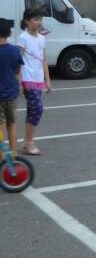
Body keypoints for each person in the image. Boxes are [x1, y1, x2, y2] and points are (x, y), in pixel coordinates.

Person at [17, 8, 51, 155]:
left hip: (38, 79)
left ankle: (27, 142)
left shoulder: (42, 38)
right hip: (27, 78)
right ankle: (29, 142)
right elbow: (18, 61)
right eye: (36, 19)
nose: (39, 22)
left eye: (40, 19)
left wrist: (47, 80)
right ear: (27, 21)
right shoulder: (22, 38)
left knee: (32, 111)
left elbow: (44, 60)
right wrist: (19, 82)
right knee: (37, 108)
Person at [0, 18, 23, 154]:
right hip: (11, 93)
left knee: (0, 126)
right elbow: (18, 71)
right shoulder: (14, 50)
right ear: (8, 33)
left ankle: (1, 158)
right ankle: (13, 153)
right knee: (11, 124)